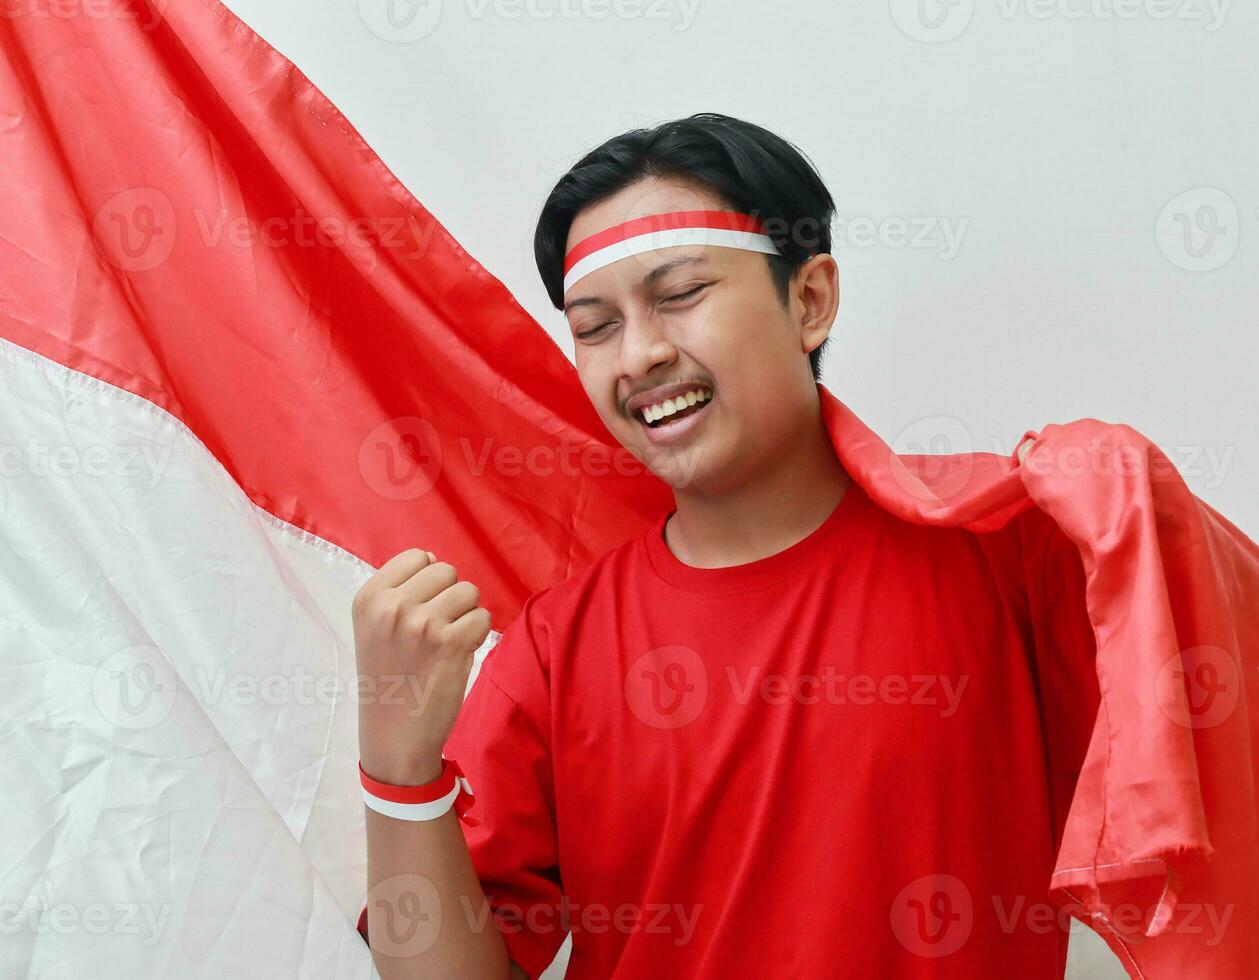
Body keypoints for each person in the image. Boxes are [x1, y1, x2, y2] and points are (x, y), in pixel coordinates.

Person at [351, 112, 1090, 978]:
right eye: (595, 327)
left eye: (679, 295)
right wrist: (396, 764)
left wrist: (1140, 512)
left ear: (808, 300)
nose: (641, 354)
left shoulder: (1010, 547)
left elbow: (1226, 794)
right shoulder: (557, 649)